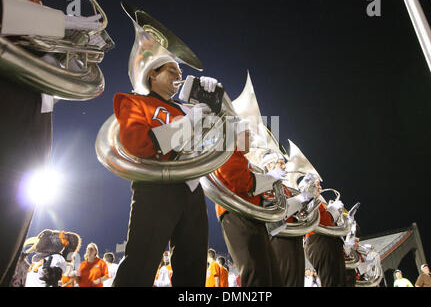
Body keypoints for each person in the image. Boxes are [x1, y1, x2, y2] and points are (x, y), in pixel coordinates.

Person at [0, 0, 102, 286]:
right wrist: (54, 26)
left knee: (10, 233)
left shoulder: (38, 7)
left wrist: (76, 53)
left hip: (35, 120)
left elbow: (53, 81)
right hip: (8, 107)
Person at [112, 52, 221, 286]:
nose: (179, 75)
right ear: (153, 73)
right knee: (140, 265)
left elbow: (217, 143)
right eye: (172, 70)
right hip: (156, 188)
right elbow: (138, 143)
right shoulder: (134, 101)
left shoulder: (188, 110)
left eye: (180, 72)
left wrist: (215, 105)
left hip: (192, 190)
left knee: (193, 268)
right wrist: (188, 123)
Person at [214, 127, 285, 287]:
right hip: (237, 216)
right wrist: (270, 178)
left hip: (254, 218)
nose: (251, 138)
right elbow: (243, 183)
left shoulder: (243, 159)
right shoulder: (227, 152)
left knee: (272, 278)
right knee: (256, 275)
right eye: (247, 134)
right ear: (234, 135)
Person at [261, 152, 320, 287]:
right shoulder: (265, 183)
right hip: (279, 237)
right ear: (269, 165)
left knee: (296, 280)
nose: (284, 166)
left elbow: (300, 214)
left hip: (294, 236)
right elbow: (275, 212)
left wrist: (310, 198)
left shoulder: (286, 188)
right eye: (280, 163)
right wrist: (302, 198)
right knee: (284, 280)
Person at [303, 190, 347, 287]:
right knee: (331, 281)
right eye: (317, 184)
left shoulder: (320, 202)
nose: (320, 187)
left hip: (329, 240)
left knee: (339, 281)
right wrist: (333, 211)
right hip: (320, 240)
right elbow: (322, 221)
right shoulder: (309, 199)